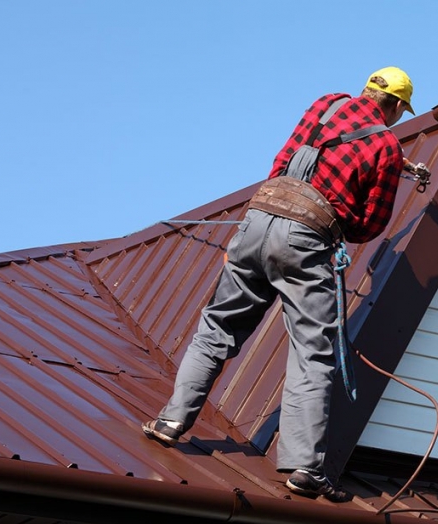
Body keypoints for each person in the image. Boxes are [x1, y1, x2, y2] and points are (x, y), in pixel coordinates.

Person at [142, 67, 422, 501]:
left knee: (217, 327)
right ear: (397, 106)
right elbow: (371, 223)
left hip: (257, 219)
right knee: (313, 352)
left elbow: (283, 162)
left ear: (368, 89)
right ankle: (303, 467)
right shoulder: (386, 144)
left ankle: (170, 421)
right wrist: (333, 222)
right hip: (306, 238)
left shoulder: (326, 104)